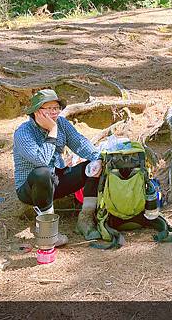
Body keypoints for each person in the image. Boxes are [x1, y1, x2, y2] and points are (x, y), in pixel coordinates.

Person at [13, 89, 103, 246]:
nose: (54, 112)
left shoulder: (61, 123)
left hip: (56, 180)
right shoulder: (23, 132)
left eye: (56, 108)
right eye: (48, 109)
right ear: (36, 112)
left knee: (92, 167)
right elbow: (41, 160)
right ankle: (48, 233)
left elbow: (79, 142)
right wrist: (52, 131)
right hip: (31, 188)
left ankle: (85, 219)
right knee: (43, 173)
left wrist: (98, 158)